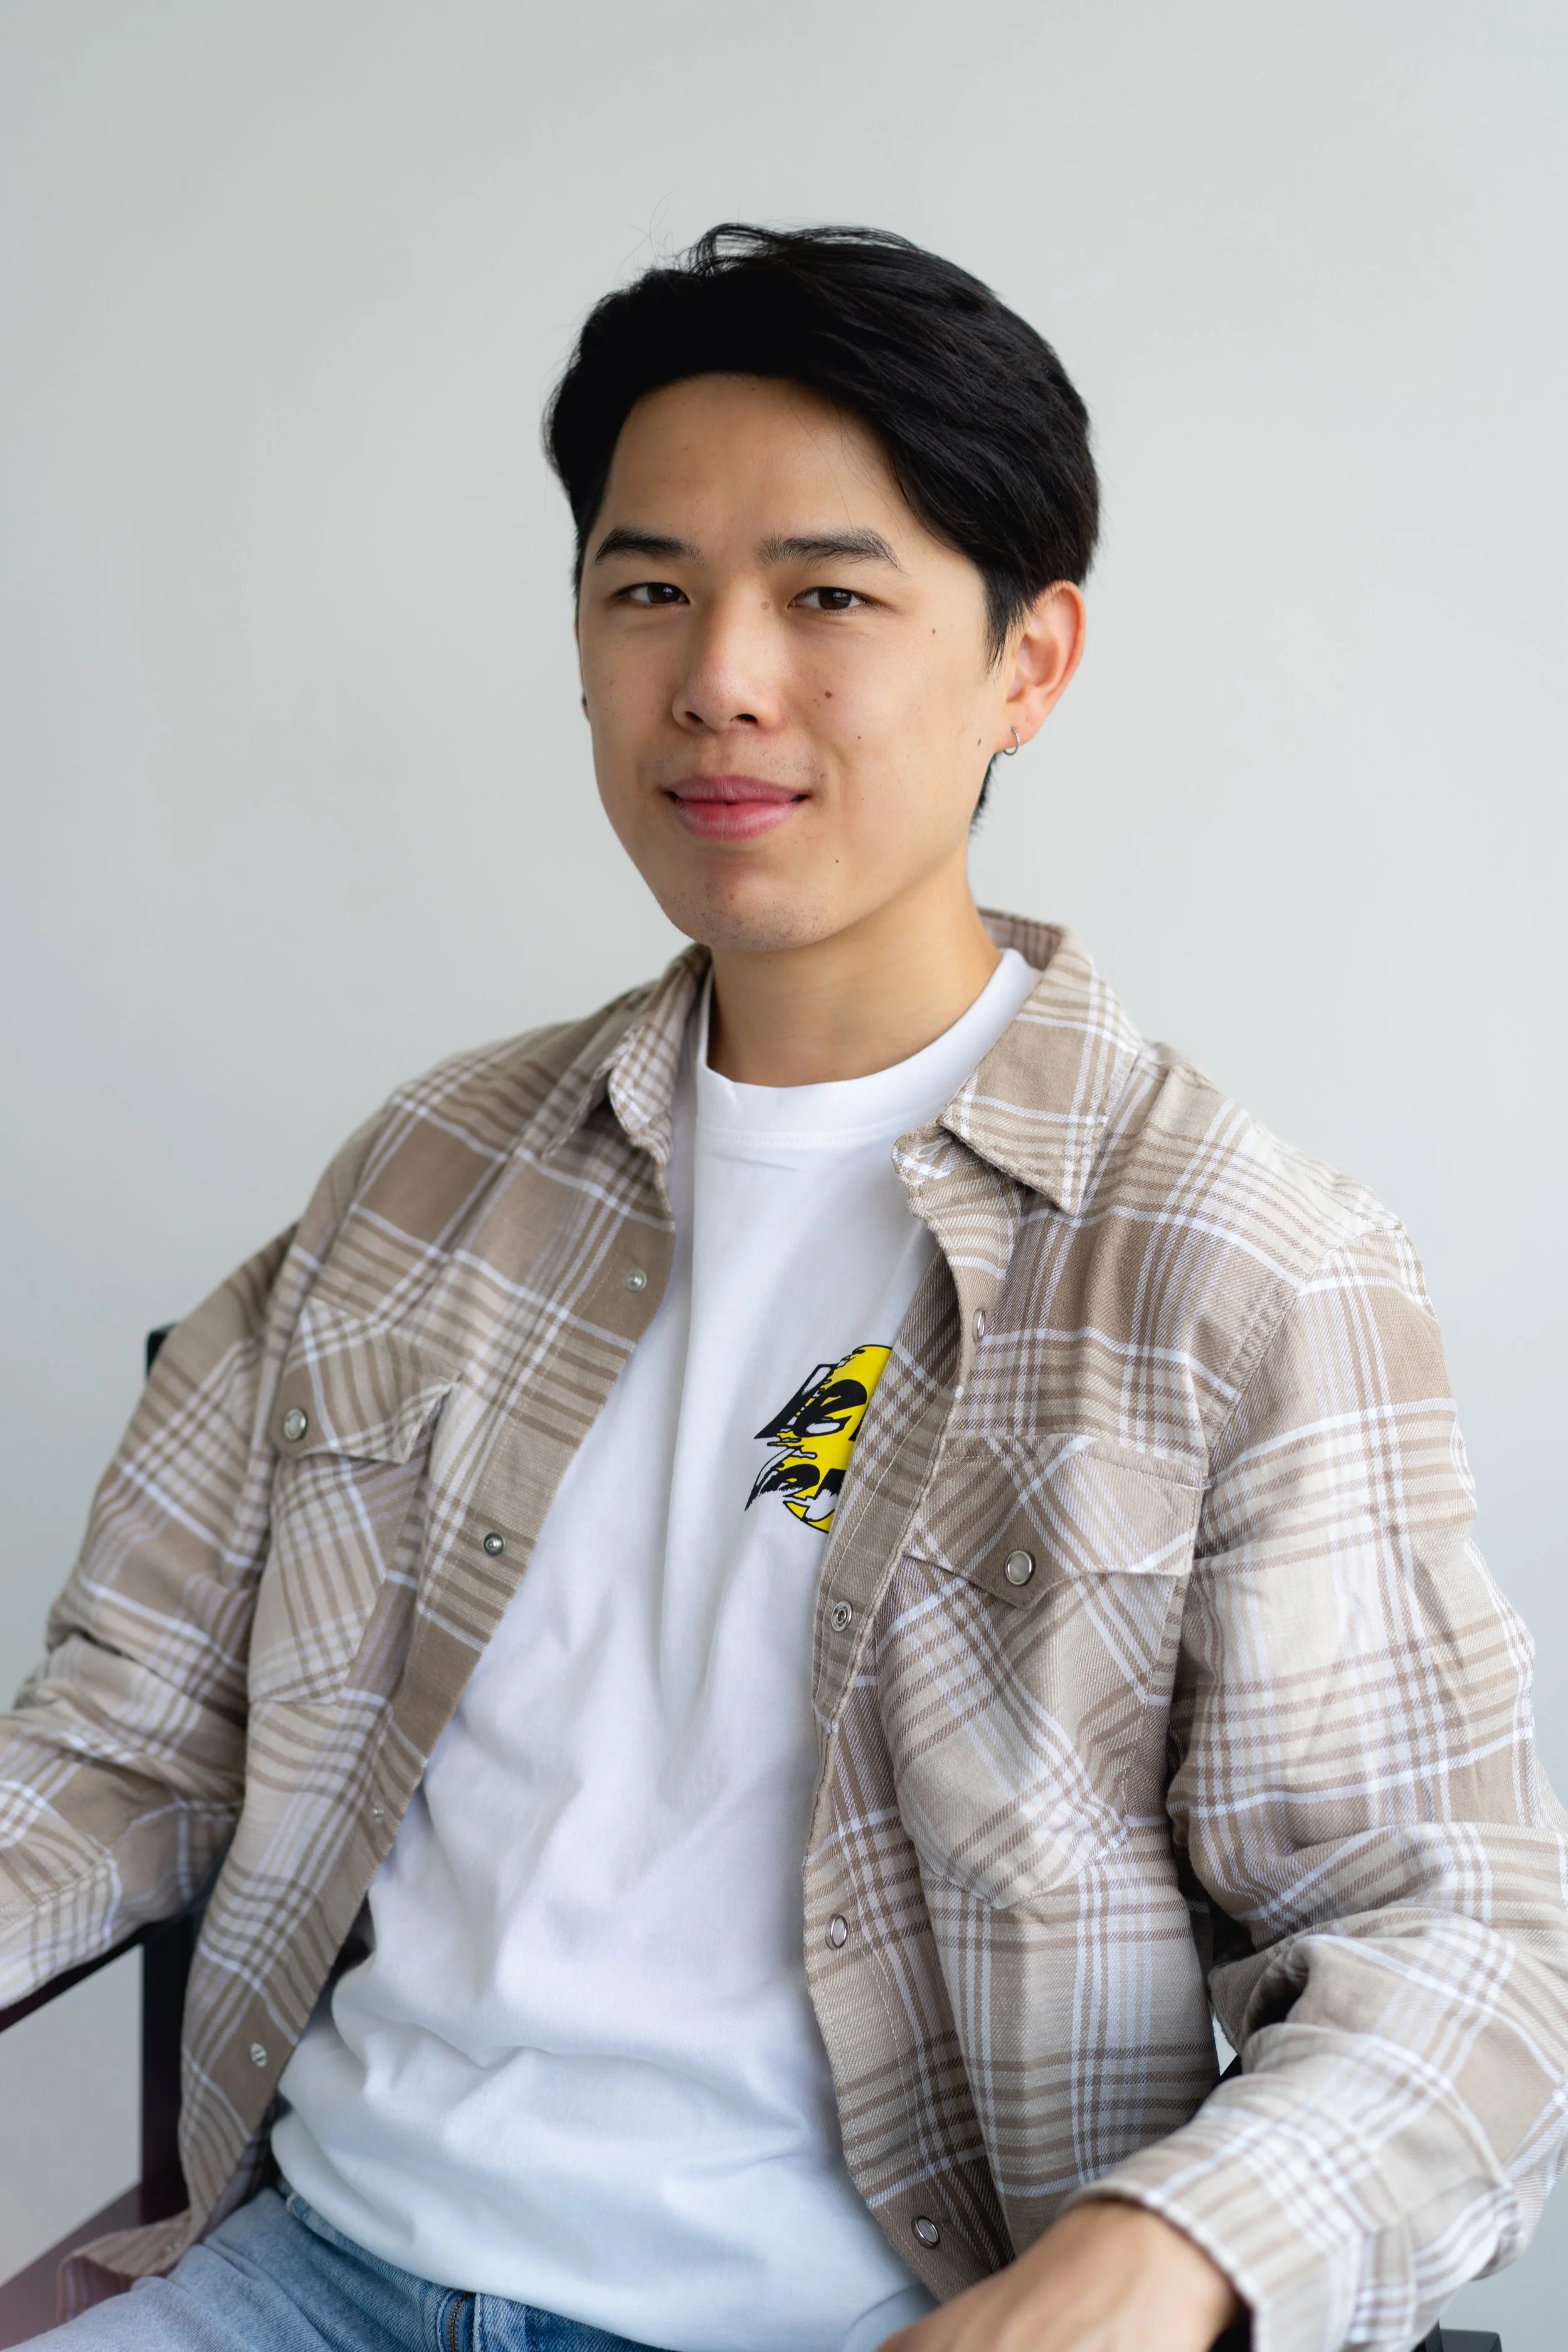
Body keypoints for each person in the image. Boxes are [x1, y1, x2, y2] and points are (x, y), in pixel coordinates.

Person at [2, 224, 1563, 2352]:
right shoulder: (426, 1175)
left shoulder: (1237, 1267)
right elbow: (120, 1739)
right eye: (648, 589)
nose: (720, 677)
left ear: (1027, 662)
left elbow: (1458, 1945)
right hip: (317, 2278)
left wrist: (1150, 2261)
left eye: (828, 596)